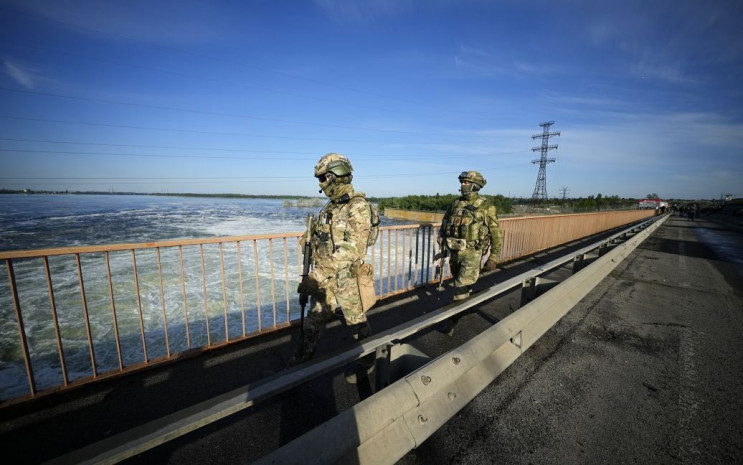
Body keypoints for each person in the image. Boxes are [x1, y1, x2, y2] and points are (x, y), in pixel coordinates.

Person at [292, 153, 376, 380]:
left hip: (346, 278)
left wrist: (316, 275)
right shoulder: (331, 207)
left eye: (322, 178)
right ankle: (304, 358)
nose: (320, 184)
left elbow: (354, 248)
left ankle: (367, 361)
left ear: (335, 175)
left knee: (356, 323)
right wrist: (307, 239)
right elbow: (324, 236)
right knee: (314, 319)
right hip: (326, 277)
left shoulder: (357, 206)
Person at [437, 171, 503, 333]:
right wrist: (442, 241)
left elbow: (496, 233)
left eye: (466, 182)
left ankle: (453, 319)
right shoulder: (455, 203)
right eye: (462, 182)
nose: (463, 185)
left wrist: (493, 256)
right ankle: (468, 306)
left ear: (475, 185)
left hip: (472, 253)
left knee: (460, 286)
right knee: (461, 283)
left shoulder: (486, 206)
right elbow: (445, 223)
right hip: (455, 251)